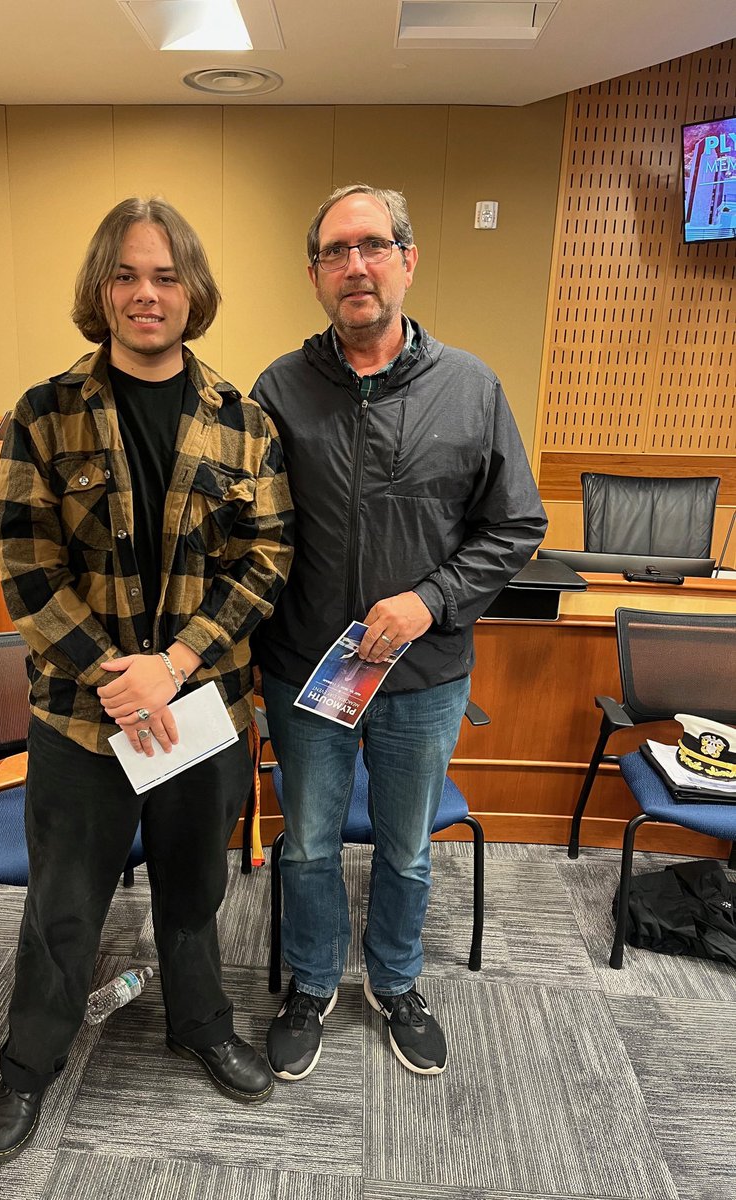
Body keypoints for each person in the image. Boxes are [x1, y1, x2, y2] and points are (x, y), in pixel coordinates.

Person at [0, 197, 293, 1163]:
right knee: (63, 902)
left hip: (200, 710)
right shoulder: (44, 413)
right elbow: (25, 565)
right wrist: (115, 676)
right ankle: (29, 1067)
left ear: (193, 290)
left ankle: (197, 1021)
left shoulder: (245, 420)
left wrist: (176, 664)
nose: (146, 294)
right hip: (82, 717)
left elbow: (270, 554)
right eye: (127, 275)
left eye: (166, 276)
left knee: (195, 886)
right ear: (100, 289)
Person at [251, 183, 547, 1081]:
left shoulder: (472, 387)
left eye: (373, 246)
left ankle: (396, 981)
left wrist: (430, 599)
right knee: (305, 842)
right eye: (336, 252)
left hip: (425, 677)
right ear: (314, 276)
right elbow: (252, 533)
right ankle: (309, 984)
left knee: (407, 846)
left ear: (408, 261)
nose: (356, 266)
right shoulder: (278, 390)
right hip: (310, 673)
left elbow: (516, 525)